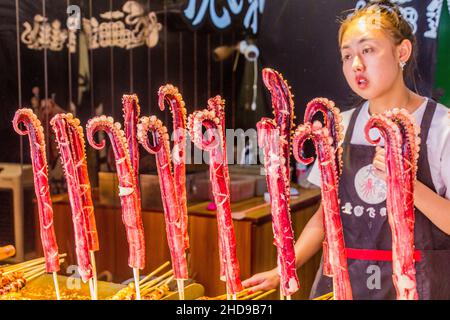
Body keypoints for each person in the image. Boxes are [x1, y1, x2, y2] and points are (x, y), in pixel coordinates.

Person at [242, 0, 450, 299]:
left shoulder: (441, 126)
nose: (356, 65)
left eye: (368, 50)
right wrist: (283, 269)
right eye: (347, 55)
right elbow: (325, 215)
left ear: (401, 52)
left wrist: (404, 184)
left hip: (419, 286)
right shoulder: (340, 126)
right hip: (344, 285)